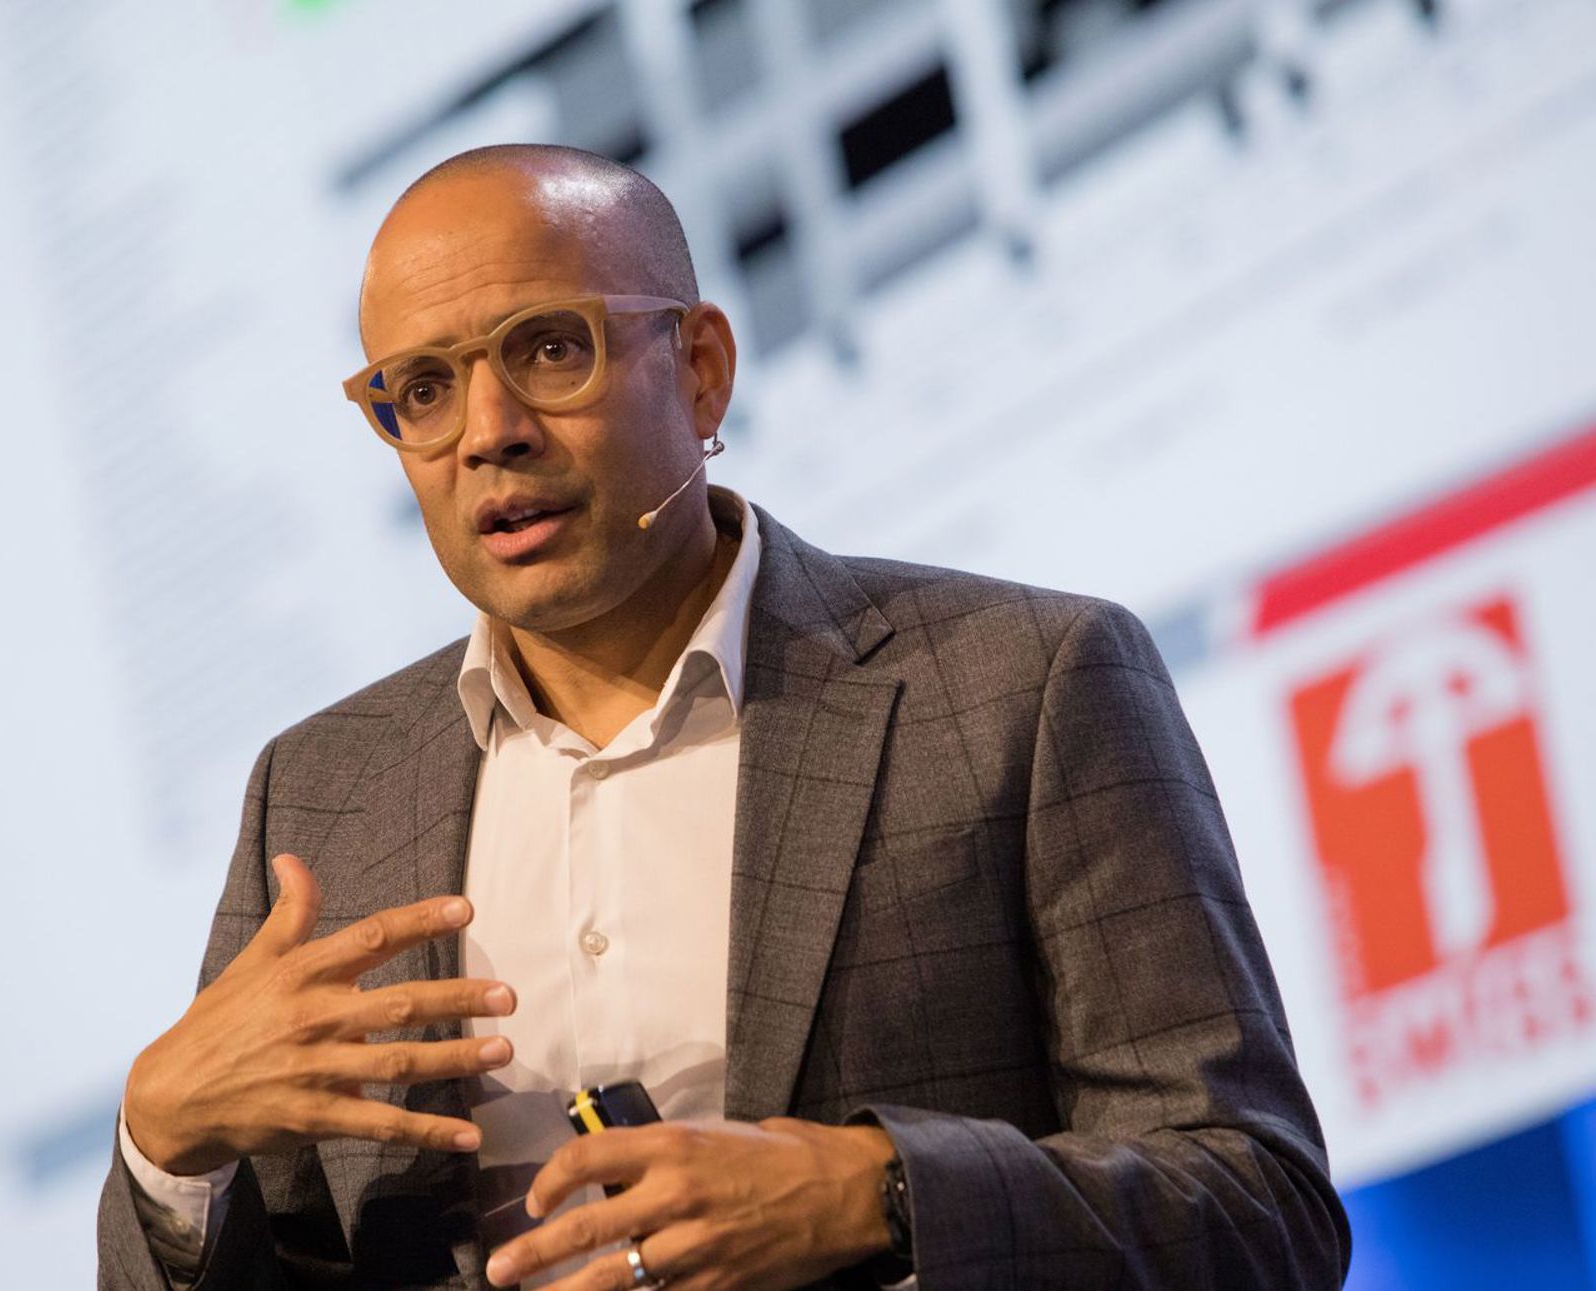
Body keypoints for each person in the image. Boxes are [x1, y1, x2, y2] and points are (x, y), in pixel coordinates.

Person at [96, 144, 1349, 1290]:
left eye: (548, 350)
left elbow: (1260, 1208)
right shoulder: (319, 796)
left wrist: (877, 1195)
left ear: (699, 369)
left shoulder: (1021, 683)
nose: (488, 434)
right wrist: (163, 1151)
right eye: (420, 389)